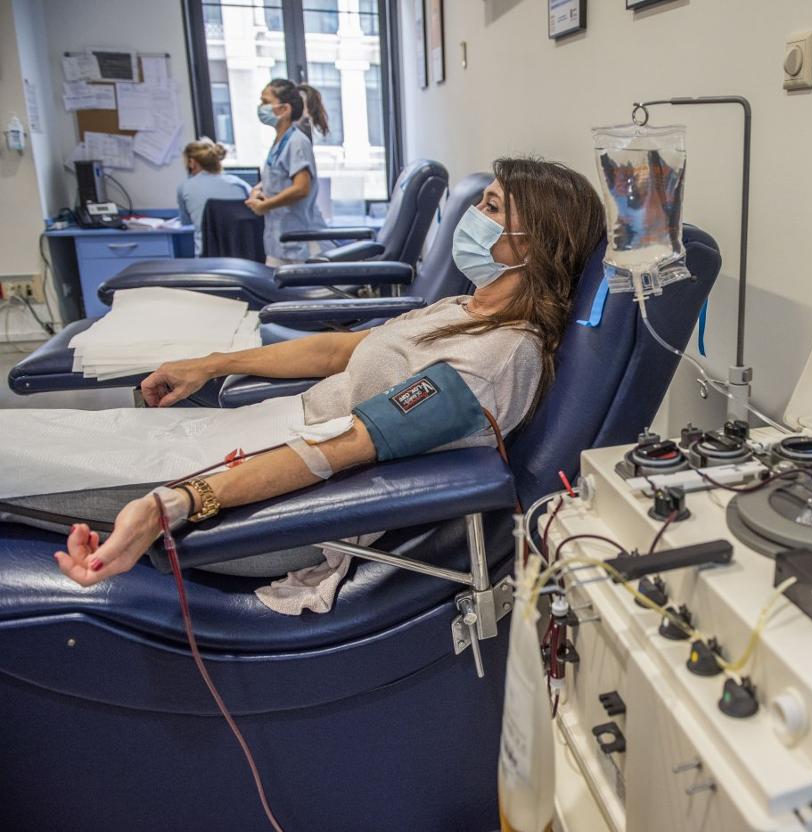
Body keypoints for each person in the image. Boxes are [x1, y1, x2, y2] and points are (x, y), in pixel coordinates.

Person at [37, 158, 605, 591]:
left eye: (493, 207)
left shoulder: (498, 358)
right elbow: (343, 350)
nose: (471, 218)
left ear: (540, 244)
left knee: (31, 472)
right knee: (61, 442)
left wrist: (173, 503)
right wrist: (213, 364)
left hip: (281, 508)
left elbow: (341, 446)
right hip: (269, 434)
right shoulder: (467, 308)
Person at [245, 78, 327, 265]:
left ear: (284, 109)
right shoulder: (280, 142)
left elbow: (301, 188)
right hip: (280, 239)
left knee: (297, 292)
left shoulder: (297, 141)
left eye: (266, 102)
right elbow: (278, 177)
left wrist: (267, 205)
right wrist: (259, 190)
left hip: (299, 240)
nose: (261, 107)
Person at [176, 138, 251, 255]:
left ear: (192, 162)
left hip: (207, 257)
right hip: (243, 254)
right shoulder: (240, 184)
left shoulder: (185, 187)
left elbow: (186, 222)